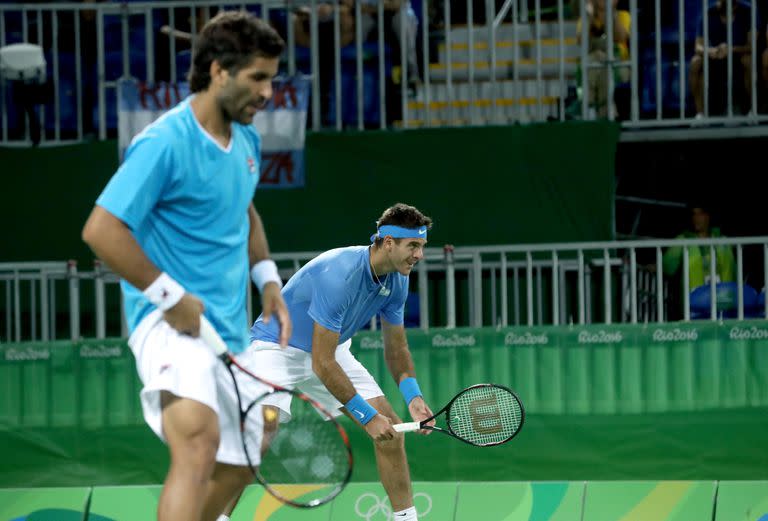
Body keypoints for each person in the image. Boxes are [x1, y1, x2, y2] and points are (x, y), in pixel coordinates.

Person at [81, 11, 292, 521]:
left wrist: (266, 279)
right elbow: (101, 231)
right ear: (220, 71)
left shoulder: (246, 140)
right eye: (257, 78)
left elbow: (244, 209)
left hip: (227, 329)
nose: (267, 93)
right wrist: (169, 297)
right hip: (169, 321)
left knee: (247, 455)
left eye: (272, 79)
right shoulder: (164, 141)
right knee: (198, 441)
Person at [224, 203, 436, 521]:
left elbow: (396, 349)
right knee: (262, 429)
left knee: (391, 428)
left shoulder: (397, 278)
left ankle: (406, 518)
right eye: (413, 246)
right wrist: (366, 417)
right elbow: (322, 364)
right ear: (388, 242)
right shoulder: (341, 274)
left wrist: (413, 396)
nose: (418, 255)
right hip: (277, 348)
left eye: (421, 246)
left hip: (330, 348)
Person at [662, 203, 736, 317]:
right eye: (694, 214)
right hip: (694, 304)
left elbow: (735, 271)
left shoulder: (723, 240)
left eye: (700, 214)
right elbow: (667, 266)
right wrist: (653, 266)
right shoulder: (683, 240)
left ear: (708, 216)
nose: (696, 218)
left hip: (724, 301)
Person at [690, 0, 753, 121]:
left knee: (748, 61)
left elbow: (752, 45)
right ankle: (700, 114)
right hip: (715, 58)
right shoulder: (708, 12)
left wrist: (731, 49)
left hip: (738, 57)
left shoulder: (748, 11)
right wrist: (711, 51)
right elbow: (698, 46)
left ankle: (752, 111)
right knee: (696, 62)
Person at [576, 0, 631, 119]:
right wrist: (589, 16)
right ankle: (603, 112)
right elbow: (581, 40)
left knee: (602, 64)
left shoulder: (623, 16)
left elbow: (621, 37)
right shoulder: (585, 18)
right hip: (593, 64)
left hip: (619, 64)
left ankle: (589, 110)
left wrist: (611, 14)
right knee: (594, 61)